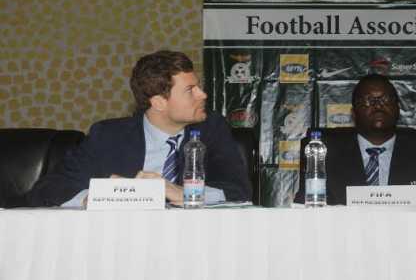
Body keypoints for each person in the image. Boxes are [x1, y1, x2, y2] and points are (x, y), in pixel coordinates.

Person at [27, 50, 251, 207]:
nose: (203, 95)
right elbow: (48, 190)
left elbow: (238, 191)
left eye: (198, 87)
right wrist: (98, 197)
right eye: (190, 90)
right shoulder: (108, 136)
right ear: (159, 102)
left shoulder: (211, 128)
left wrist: (180, 192)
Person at [295, 74, 416, 205]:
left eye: (386, 100)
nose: (378, 106)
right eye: (368, 100)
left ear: (398, 109)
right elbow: (308, 204)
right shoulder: (324, 151)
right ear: (354, 112)